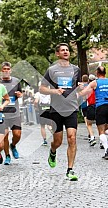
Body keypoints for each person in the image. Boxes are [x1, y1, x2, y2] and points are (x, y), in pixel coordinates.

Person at [39, 43, 81, 181]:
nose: (65, 52)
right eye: (62, 50)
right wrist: (54, 91)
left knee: (72, 138)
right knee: (57, 141)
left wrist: (80, 90)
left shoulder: (76, 69)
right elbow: (42, 88)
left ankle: (70, 170)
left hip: (71, 108)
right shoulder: (52, 70)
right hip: (56, 109)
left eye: (67, 50)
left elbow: (78, 87)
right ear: (57, 54)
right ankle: (53, 151)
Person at [78, 66, 108, 159]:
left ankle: (107, 150)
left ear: (97, 73)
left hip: (100, 106)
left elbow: (83, 93)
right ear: (105, 73)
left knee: (101, 131)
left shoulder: (95, 83)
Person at [0, 62, 22, 165]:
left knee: (17, 134)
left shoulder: (16, 81)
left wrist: (19, 94)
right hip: (3, 113)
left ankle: (13, 145)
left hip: (14, 112)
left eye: (7, 69)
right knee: (5, 136)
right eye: (4, 69)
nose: (6, 71)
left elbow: (20, 93)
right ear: (1, 71)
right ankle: (7, 156)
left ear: (10, 70)